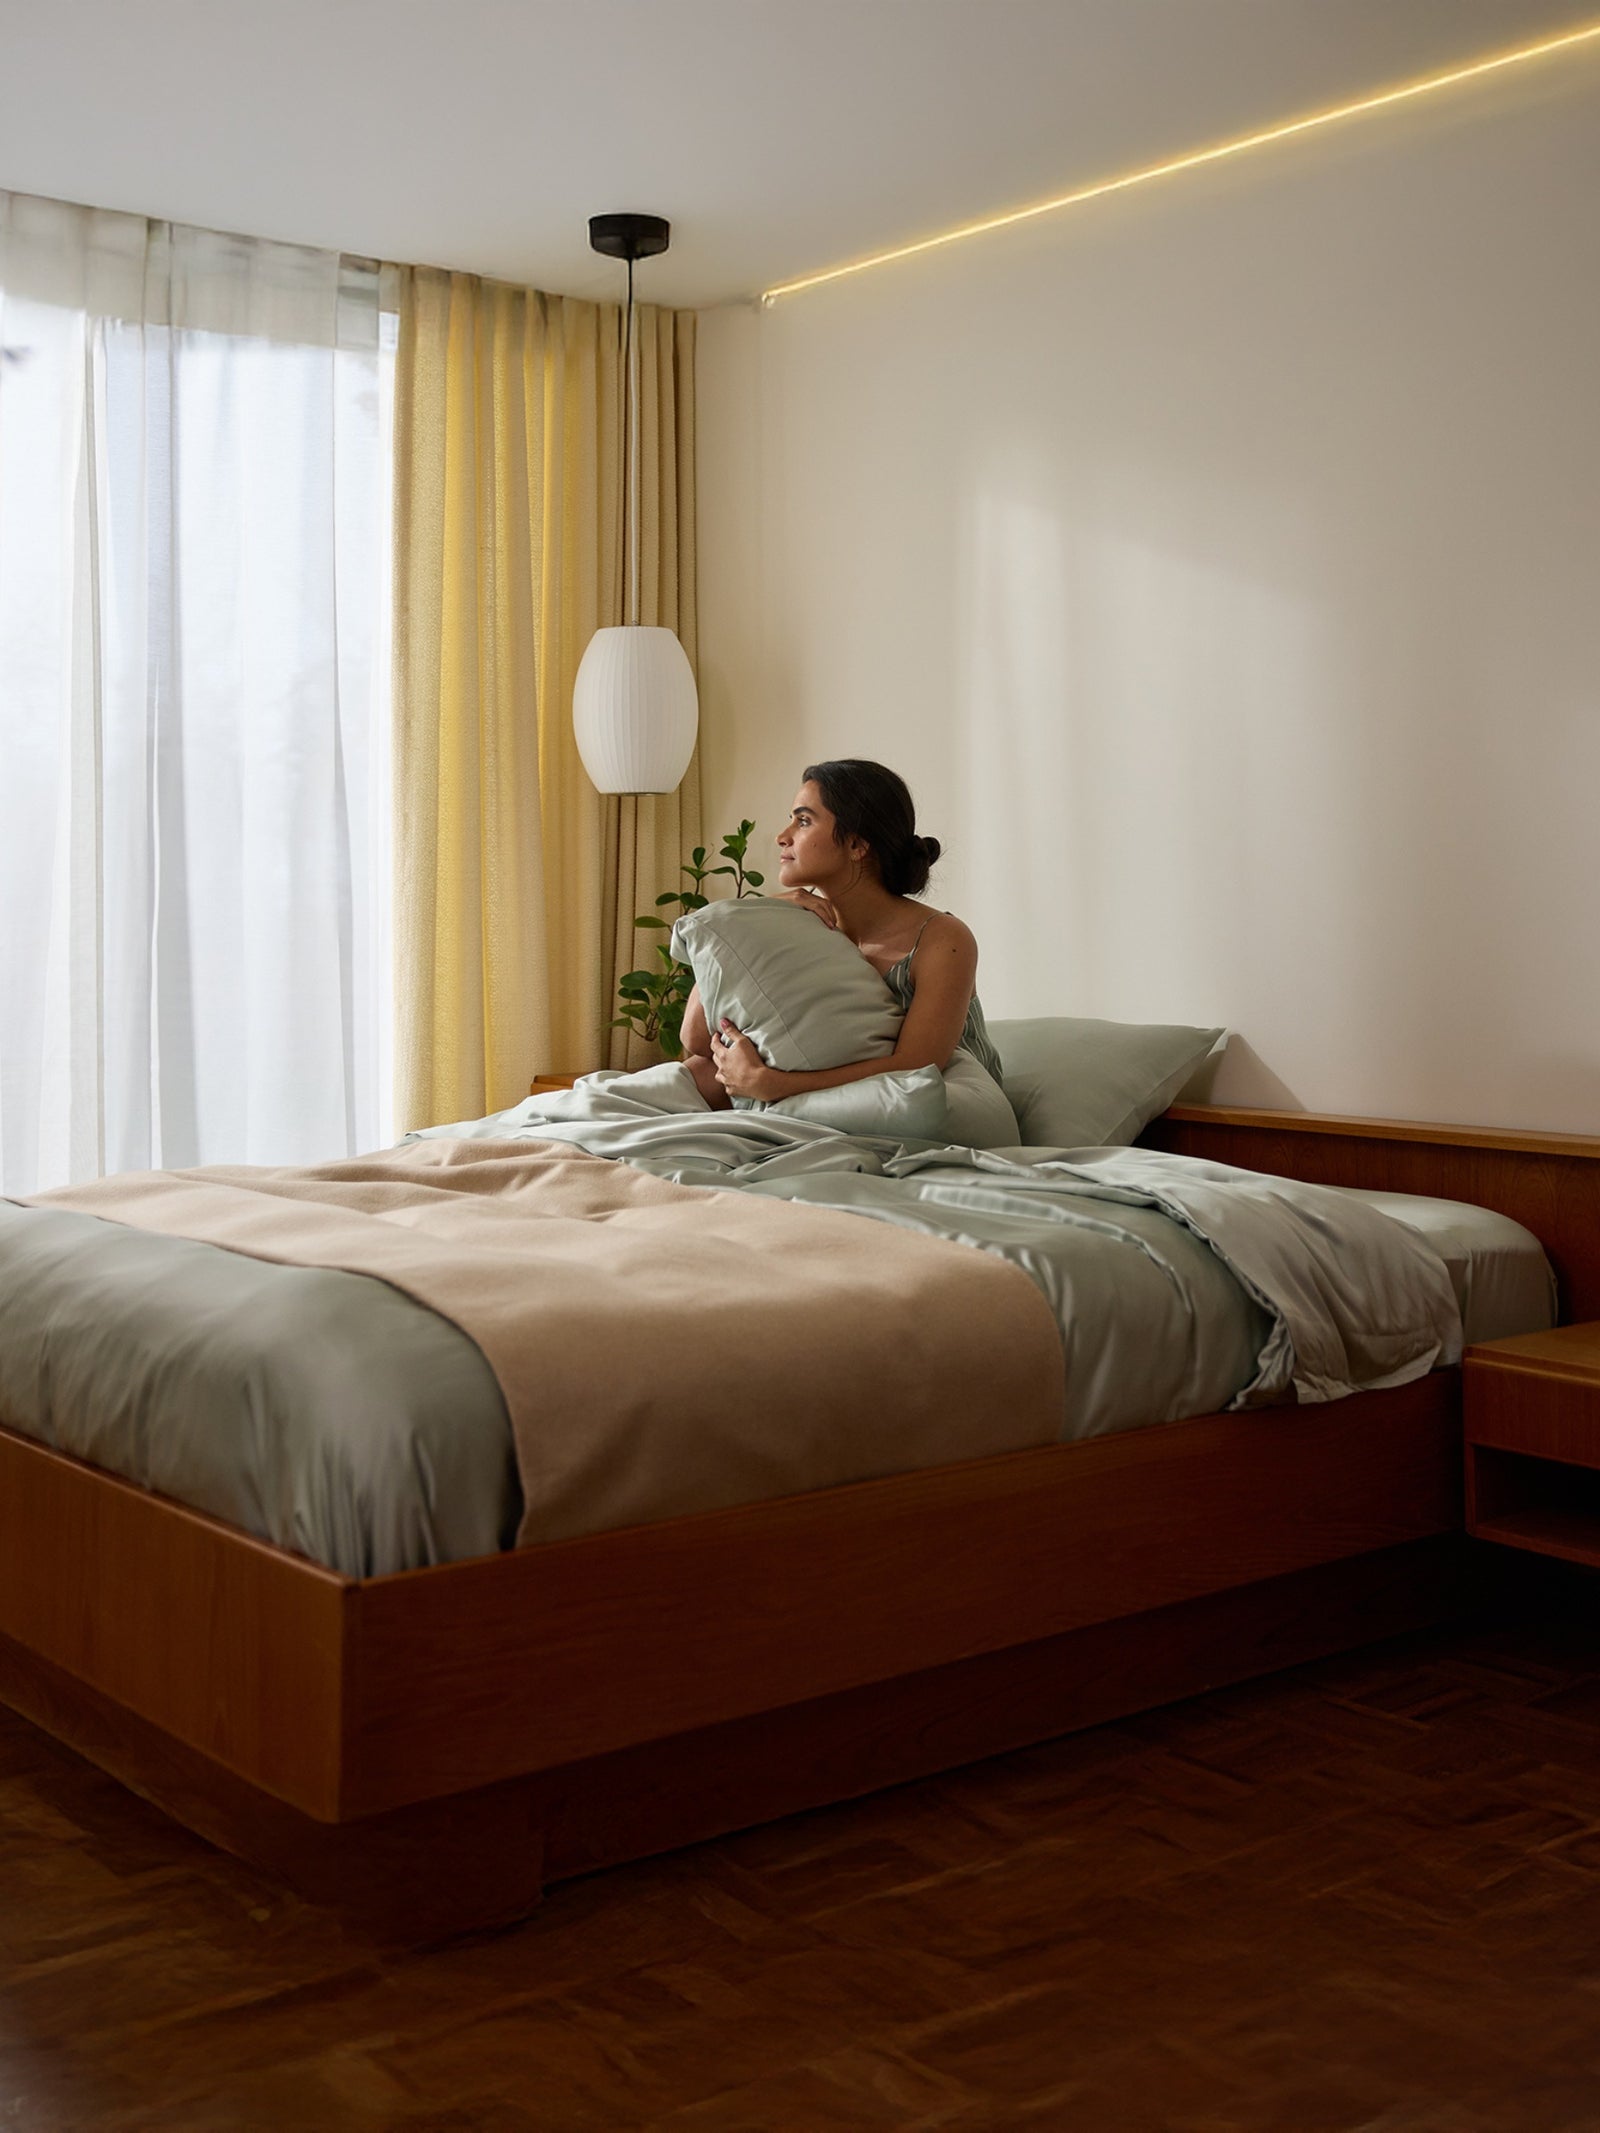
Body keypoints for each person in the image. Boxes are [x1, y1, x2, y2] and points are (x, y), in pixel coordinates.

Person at [680, 759, 1006, 1110]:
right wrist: (751, 919)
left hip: (932, 1102)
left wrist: (776, 1084)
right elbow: (695, 1038)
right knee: (698, 1072)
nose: (782, 836)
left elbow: (916, 1067)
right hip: (821, 1087)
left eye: (803, 820)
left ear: (856, 845)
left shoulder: (943, 939)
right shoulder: (797, 928)